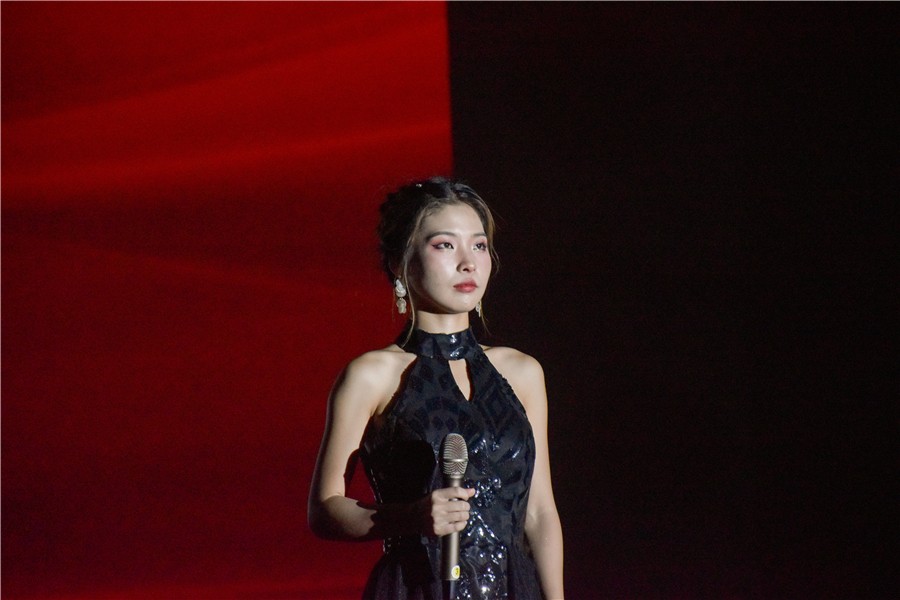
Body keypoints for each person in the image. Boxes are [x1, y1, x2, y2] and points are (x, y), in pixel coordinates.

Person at [308, 177, 564, 599]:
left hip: (514, 587)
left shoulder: (522, 372)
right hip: (417, 585)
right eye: (445, 245)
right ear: (399, 263)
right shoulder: (373, 375)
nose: (468, 263)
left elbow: (539, 512)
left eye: (479, 246)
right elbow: (324, 509)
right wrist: (409, 517)